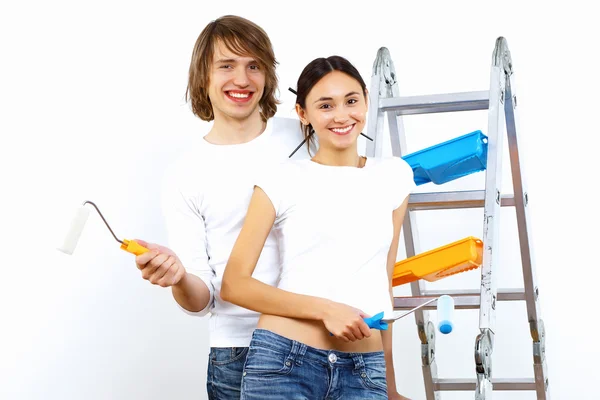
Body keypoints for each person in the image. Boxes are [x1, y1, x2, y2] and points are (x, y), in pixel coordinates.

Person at [132, 15, 313, 399]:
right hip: (240, 353)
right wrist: (179, 277)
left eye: (254, 65)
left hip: (325, 338)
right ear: (203, 77)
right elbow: (202, 301)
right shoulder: (185, 174)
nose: (242, 80)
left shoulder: (305, 135)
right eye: (226, 66)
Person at [221, 55, 416, 399]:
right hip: (284, 363)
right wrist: (328, 310)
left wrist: (390, 385)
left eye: (351, 101)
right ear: (303, 113)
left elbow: (381, 285)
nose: (342, 116)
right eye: (325, 105)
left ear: (366, 101)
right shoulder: (280, 179)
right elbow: (235, 285)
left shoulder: (395, 175)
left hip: (364, 370)